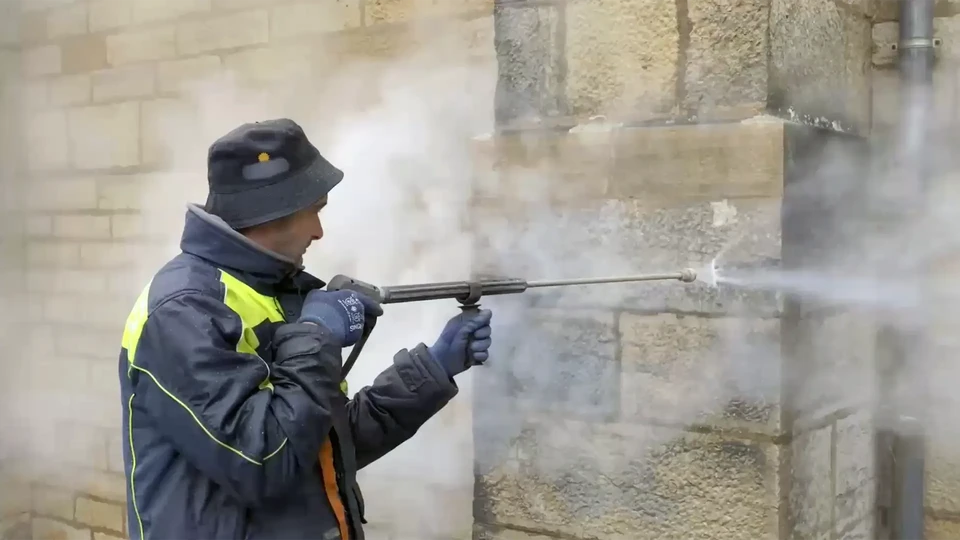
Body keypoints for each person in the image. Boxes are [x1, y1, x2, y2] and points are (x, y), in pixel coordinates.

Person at [116, 118, 493, 540]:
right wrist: (318, 333)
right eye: (313, 210)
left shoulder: (280, 291)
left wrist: (433, 371)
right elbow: (262, 459)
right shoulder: (183, 310)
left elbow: (322, 444)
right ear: (272, 209)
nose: (319, 231)